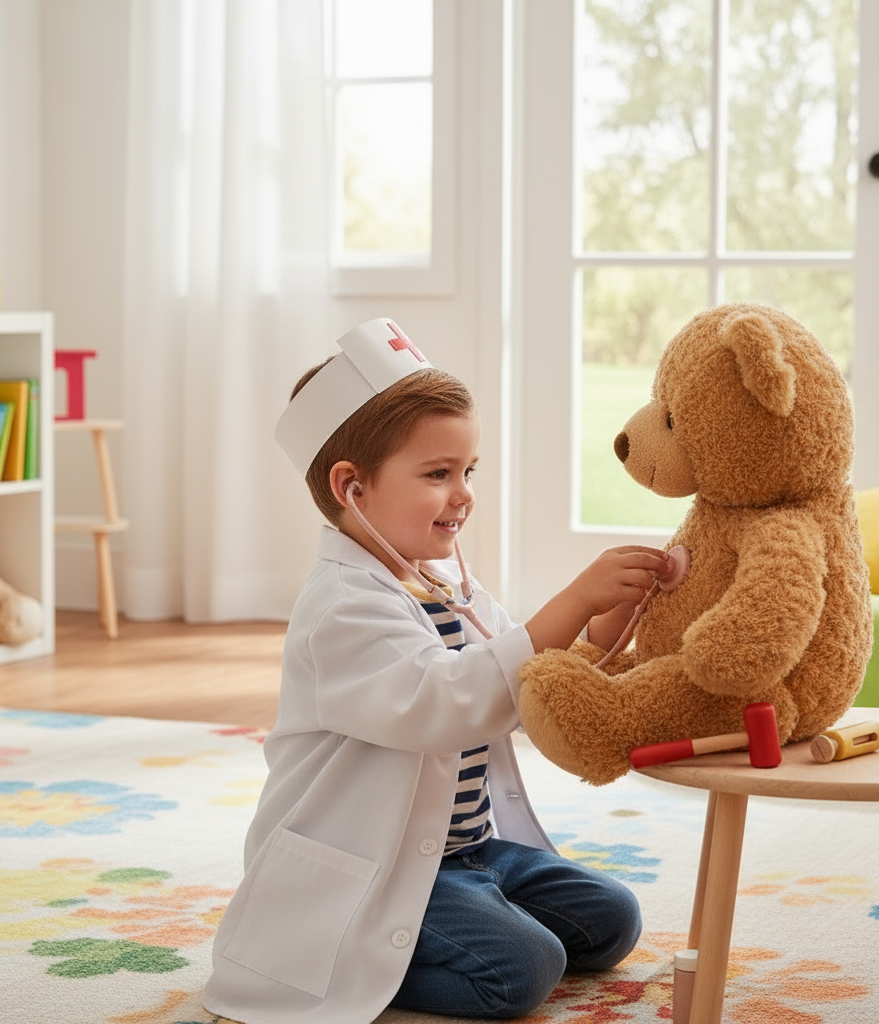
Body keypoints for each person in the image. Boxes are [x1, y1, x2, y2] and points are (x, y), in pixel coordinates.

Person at [202, 319, 669, 1024]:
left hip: (469, 851)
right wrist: (571, 599)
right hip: (374, 868)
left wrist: (607, 618)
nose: (464, 493)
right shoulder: (341, 608)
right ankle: (349, 960)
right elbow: (445, 704)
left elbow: (529, 670)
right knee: (524, 971)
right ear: (351, 487)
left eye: (468, 471)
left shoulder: (445, 580)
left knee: (613, 920)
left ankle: (467, 919)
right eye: (438, 474)